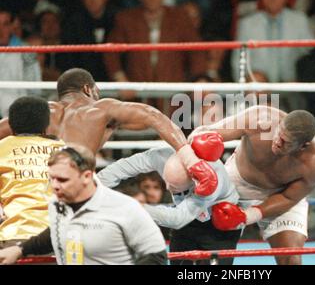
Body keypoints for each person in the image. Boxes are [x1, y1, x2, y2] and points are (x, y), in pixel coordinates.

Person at [0, 68, 219, 198]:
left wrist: (113, 125)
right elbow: (153, 116)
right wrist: (191, 161)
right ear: (88, 89)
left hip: (30, 188)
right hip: (75, 191)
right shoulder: (100, 109)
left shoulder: (39, 111)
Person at [190, 105, 315, 265]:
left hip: (280, 194)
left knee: (291, 260)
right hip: (235, 181)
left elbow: (288, 198)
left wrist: (247, 216)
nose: (278, 142)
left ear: (303, 146)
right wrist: (199, 159)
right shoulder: (260, 119)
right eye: (279, 133)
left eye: (286, 142)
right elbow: (202, 133)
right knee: (210, 256)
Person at [0, 145, 167, 265]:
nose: (55, 186)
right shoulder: (60, 206)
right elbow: (56, 232)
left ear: (87, 176)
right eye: (52, 179)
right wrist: (20, 249)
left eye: (63, 179)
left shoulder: (124, 207)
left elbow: (157, 255)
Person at [97, 132, 241, 265]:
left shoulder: (211, 181)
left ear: (194, 181)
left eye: (175, 187)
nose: (167, 188)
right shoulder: (162, 156)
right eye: (167, 181)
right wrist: (94, 186)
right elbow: (123, 167)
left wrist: (131, 207)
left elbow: (177, 219)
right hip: (187, 224)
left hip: (219, 226)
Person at [0, 96, 64, 248]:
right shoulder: (64, 149)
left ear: (10, 124)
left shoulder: (1, 148)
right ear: (46, 124)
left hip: (13, 237)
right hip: (59, 237)